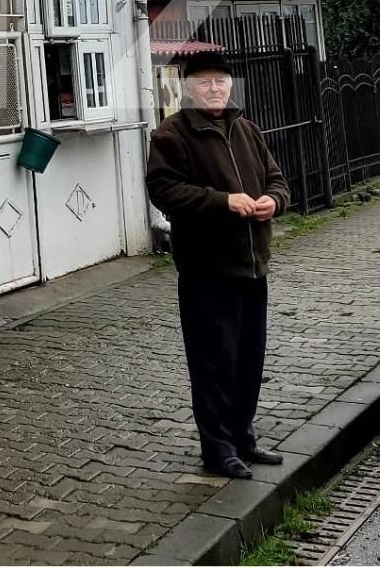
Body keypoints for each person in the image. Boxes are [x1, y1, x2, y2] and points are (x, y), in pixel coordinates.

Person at [146, 54, 291, 479]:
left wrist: (273, 201)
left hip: (252, 267)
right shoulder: (172, 134)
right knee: (213, 363)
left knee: (248, 359)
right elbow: (164, 190)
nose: (214, 88)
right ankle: (218, 449)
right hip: (207, 271)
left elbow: (277, 179)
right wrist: (222, 201)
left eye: (221, 81)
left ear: (231, 85)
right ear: (188, 88)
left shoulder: (247, 130)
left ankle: (243, 437)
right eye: (204, 82)